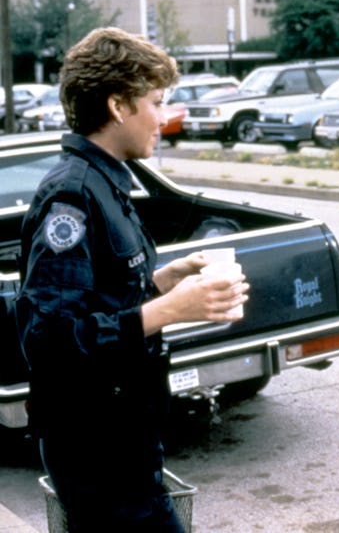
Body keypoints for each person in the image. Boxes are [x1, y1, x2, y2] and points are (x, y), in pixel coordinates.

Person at [15, 27, 249, 532]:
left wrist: (166, 281)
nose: (163, 119)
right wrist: (170, 310)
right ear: (119, 105)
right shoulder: (73, 197)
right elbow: (50, 338)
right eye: (156, 102)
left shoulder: (105, 182)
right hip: (96, 450)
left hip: (123, 441)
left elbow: (102, 295)